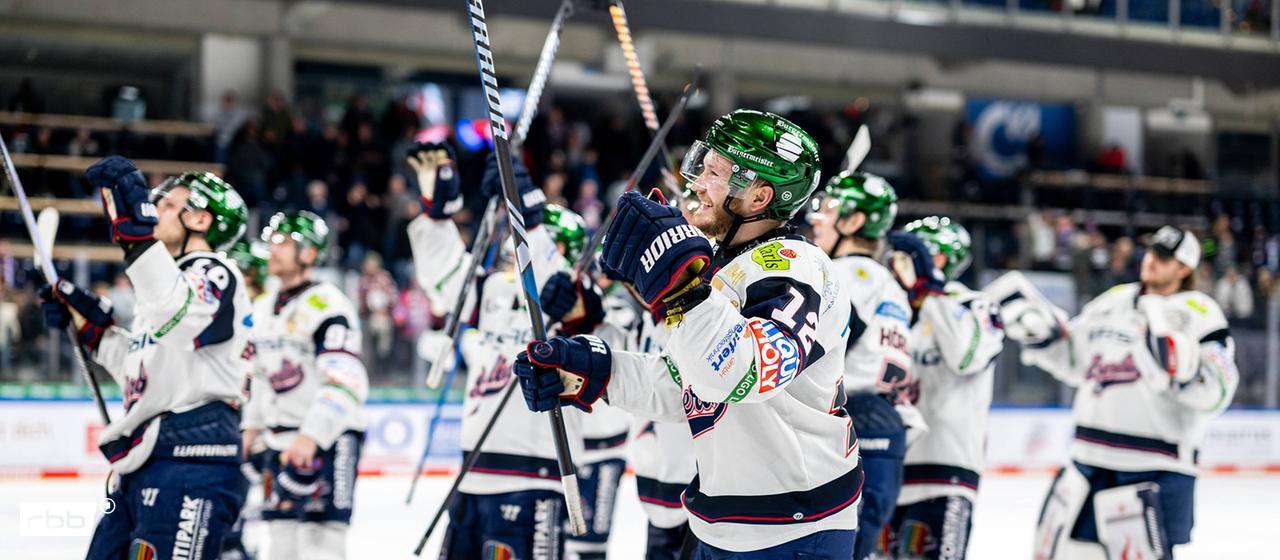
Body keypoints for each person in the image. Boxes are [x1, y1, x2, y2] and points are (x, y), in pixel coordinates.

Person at [514, 109, 862, 557]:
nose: (695, 181)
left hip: (794, 530)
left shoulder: (797, 267)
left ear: (758, 196)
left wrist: (685, 292)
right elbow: (691, 385)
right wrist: (593, 371)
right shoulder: (727, 270)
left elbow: (743, 374)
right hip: (722, 522)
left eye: (713, 171)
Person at [42, 159, 252, 559]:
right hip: (149, 460)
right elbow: (142, 370)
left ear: (201, 220)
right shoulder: (167, 287)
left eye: (170, 206)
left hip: (193, 460)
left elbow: (178, 319)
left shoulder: (212, 271)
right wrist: (93, 328)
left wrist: (138, 240)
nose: (156, 212)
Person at [406, 142, 584, 559]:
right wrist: (438, 213)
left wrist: (532, 217)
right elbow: (446, 278)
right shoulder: (494, 288)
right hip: (474, 471)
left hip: (533, 471)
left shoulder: (574, 296)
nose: (511, 246)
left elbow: (549, 288)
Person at [1026, 226, 1238, 559]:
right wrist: (1040, 336)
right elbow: (1074, 358)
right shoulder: (1113, 300)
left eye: (1164, 257)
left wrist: (1183, 374)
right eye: (1152, 251)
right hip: (1088, 459)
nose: (1151, 260)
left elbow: (1216, 391)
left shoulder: (1199, 311)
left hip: (1154, 464)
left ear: (1184, 269)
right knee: (1069, 553)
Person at [807, 171, 926, 560]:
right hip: (886, 421)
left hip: (849, 419)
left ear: (854, 222)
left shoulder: (845, 273)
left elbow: (837, 333)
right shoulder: (890, 283)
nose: (816, 217)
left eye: (828, 208)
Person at [242, 211, 369, 560]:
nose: (274, 249)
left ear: (310, 254)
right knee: (279, 542)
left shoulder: (328, 304)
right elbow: (257, 376)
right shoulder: (264, 306)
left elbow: (345, 381)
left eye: (286, 242)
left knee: (321, 543)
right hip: (279, 439)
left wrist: (311, 436)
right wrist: (251, 427)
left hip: (328, 439)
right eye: (273, 241)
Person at [879, 217, 1004, 560]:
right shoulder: (892, 310)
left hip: (943, 476)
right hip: (886, 472)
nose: (893, 263)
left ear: (935, 259)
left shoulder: (974, 305)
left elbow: (966, 356)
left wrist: (931, 292)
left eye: (906, 256)